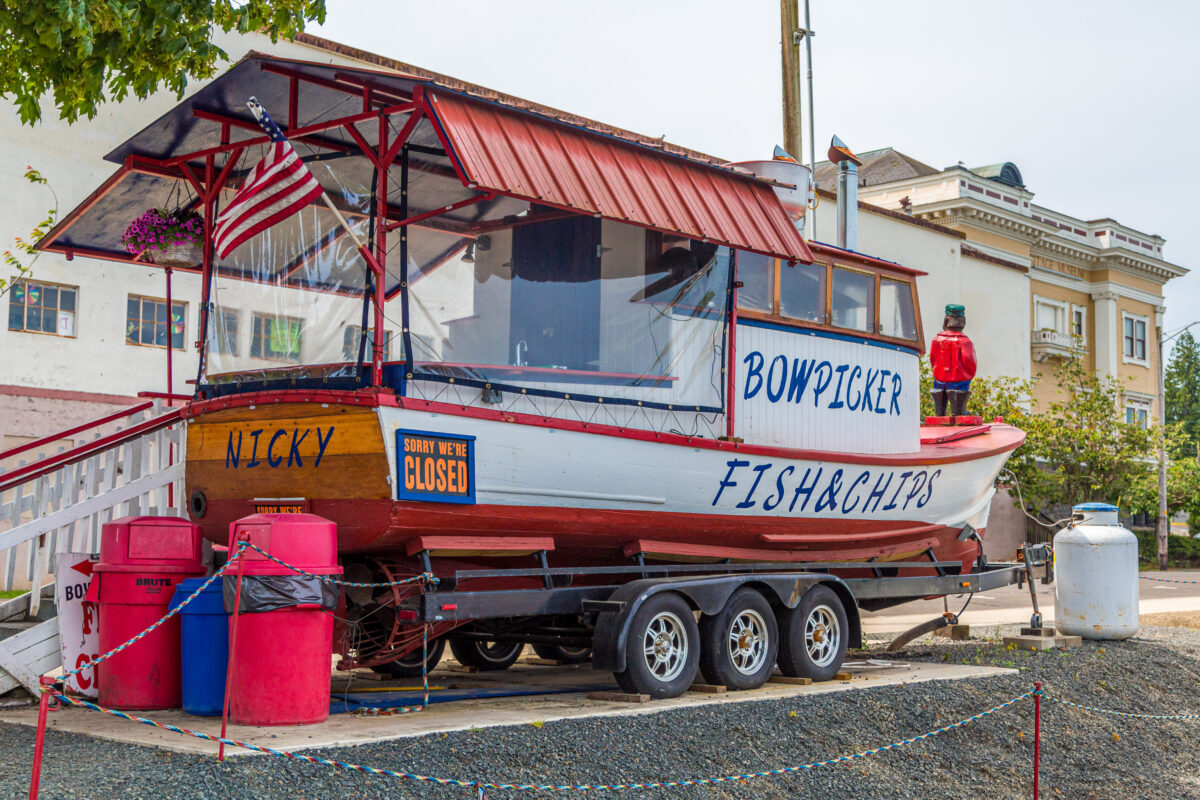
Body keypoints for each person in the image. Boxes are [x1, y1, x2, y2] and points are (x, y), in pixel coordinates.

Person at [929, 304, 977, 418]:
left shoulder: (936, 340)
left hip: (940, 379)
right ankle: (959, 410)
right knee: (963, 387)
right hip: (959, 380)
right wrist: (968, 375)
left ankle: (940, 411)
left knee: (939, 387)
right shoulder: (965, 342)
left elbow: (933, 359)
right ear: (963, 322)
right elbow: (970, 362)